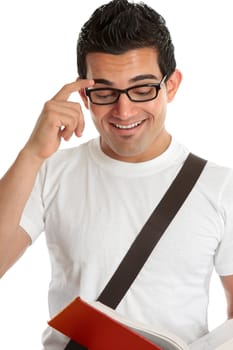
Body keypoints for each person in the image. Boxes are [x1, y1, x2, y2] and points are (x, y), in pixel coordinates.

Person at [0, 0, 233, 349]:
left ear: (171, 85)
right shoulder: (51, 172)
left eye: (142, 89)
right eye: (105, 92)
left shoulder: (220, 187)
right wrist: (31, 153)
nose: (124, 110)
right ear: (84, 95)